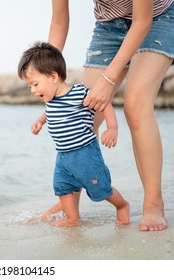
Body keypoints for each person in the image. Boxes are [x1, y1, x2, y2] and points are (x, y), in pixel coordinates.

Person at [42, 0, 173, 231]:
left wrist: (108, 80)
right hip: (108, 26)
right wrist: (43, 71)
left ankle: (153, 203)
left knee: (135, 105)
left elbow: (142, 21)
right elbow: (59, 21)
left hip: (157, 19)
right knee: (81, 112)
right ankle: (69, 202)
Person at [18, 41, 130, 227]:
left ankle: (122, 206)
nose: (33, 90)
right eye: (30, 86)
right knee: (62, 187)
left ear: (53, 76)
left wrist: (112, 127)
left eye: (35, 84)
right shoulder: (51, 100)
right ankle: (73, 218)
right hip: (63, 155)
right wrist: (39, 121)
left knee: (100, 188)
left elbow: (104, 103)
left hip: (85, 152)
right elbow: (50, 112)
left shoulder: (79, 93)